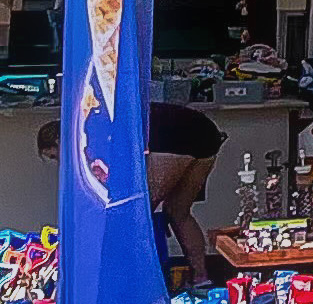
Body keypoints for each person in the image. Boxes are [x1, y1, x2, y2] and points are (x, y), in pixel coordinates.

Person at [35, 103, 221, 284]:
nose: (59, 162)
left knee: (139, 214)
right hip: (205, 132)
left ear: (60, 141)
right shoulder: (93, 124)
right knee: (178, 211)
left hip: (173, 135)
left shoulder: (87, 136)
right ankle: (201, 279)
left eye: (54, 156)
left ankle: (146, 286)